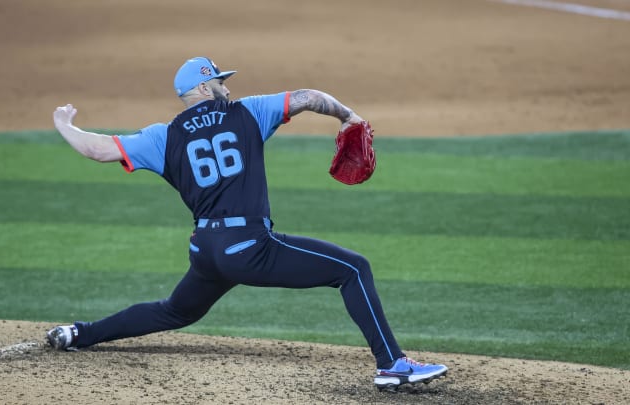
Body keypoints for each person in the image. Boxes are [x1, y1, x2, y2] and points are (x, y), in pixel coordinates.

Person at [46, 56, 447, 390]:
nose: (227, 87)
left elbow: (97, 149)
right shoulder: (248, 112)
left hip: (206, 252)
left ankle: (79, 334)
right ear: (204, 88)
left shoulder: (162, 137)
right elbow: (308, 97)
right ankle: (393, 364)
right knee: (353, 269)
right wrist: (347, 116)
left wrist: (65, 125)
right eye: (220, 81)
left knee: (176, 311)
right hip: (250, 248)